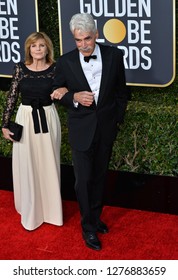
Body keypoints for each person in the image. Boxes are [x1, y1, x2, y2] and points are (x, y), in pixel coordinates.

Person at [51, 13, 128, 250]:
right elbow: (54, 90)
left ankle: (95, 218)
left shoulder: (115, 56)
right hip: (81, 130)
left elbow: (122, 92)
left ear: (96, 34)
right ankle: (88, 228)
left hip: (105, 128)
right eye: (78, 40)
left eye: (87, 39)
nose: (83, 45)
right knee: (83, 181)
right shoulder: (65, 62)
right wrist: (73, 97)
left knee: (99, 178)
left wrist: (116, 120)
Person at [2, 32, 67, 231]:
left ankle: (51, 211)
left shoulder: (57, 69)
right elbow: (12, 96)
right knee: (27, 162)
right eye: (33, 46)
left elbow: (66, 90)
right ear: (28, 49)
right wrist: (5, 124)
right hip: (25, 118)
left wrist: (64, 90)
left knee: (49, 162)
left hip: (47, 117)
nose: (38, 49)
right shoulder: (20, 69)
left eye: (41, 45)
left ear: (48, 48)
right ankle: (31, 210)